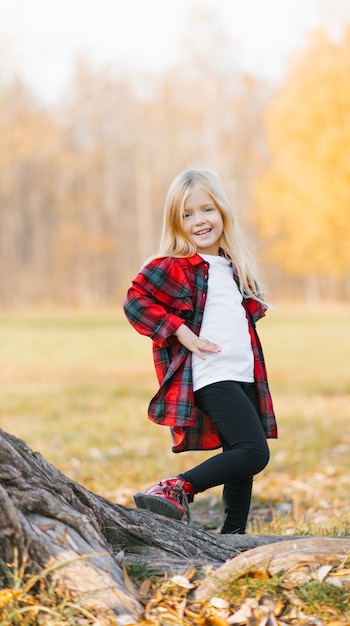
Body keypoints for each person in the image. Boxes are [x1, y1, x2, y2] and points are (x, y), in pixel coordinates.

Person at [123, 167, 277, 534]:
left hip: (241, 375)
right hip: (210, 374)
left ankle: (233, 536)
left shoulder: (233, 267)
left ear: (222, 210)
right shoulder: (175, 266)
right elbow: (135, 301)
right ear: (176, 223)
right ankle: (176, 488)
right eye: (187, 215)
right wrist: (180, 331)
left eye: (206, 210)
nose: (199, 221)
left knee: (239, 457)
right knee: (255, 453)